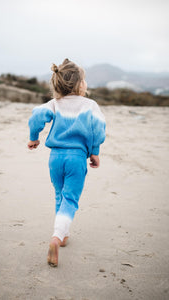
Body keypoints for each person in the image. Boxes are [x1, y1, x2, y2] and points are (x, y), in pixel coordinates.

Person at [27, 58, 106, 267]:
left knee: (60, 194)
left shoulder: (54, 103)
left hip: (55, 158)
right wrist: (95, 151)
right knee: (70, 199)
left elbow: (36, 116)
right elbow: (98, 129)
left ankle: (63, 234)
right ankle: (56, 236)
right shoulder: (90, 105)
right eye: (85, 80)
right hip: (76, 158)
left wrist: (34, 137)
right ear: (80, 84)